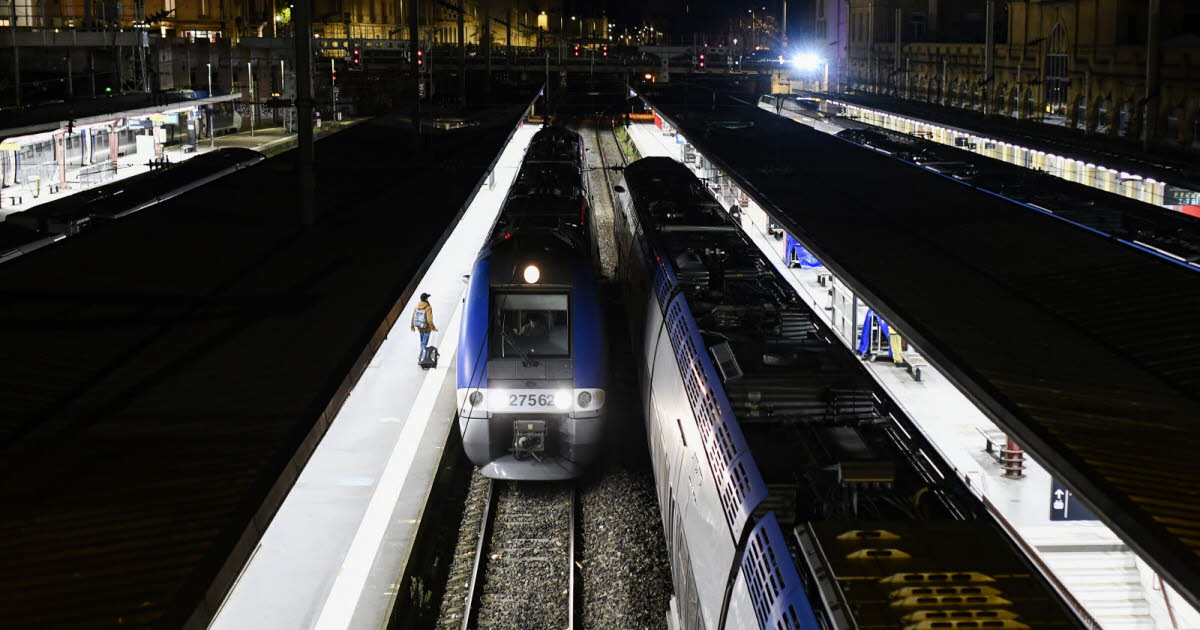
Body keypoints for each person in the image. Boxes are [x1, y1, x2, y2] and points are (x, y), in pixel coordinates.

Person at [411, 293, 437, 361]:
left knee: (422, 342)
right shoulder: (428, 307)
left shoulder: (416, 307)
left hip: (419, 327)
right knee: (424, 343)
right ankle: (421, 358)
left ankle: (421, 357)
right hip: (426, 328)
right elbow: (429, 320)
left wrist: (412, 326)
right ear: (426, 299)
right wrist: (433, 328)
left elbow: (413, 317)